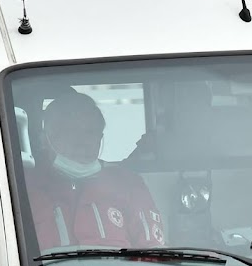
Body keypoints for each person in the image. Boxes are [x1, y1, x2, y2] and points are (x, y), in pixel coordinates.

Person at [26, 90, 166, 250]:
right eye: (70, 132)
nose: (82, 142)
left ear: (100, 138)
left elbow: (153, 252)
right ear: (45, 139)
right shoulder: (22, 187)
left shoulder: (128, 184)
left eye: (90, 132)